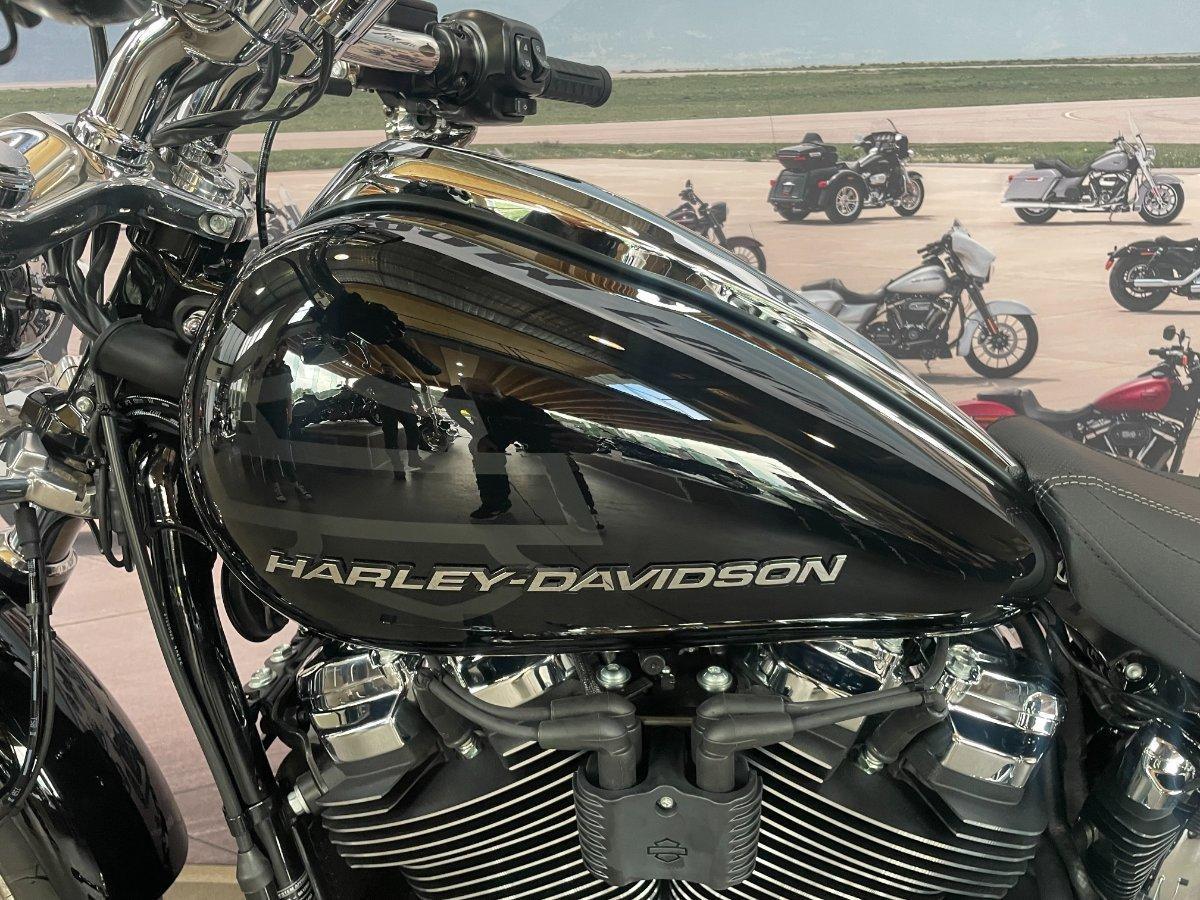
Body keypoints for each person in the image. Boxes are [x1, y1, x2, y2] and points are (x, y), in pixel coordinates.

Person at [256, 347, 312, 502]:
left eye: (285, 351)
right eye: (281, 350)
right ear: (276, 350)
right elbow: (255, 376)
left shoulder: (286, 368)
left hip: (280, 413)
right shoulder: (264, 364)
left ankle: (294, 482)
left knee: (285, 449)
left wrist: (290, 411)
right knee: (268, 450)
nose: (283, 353)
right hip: (264, 412)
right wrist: (266, 361)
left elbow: (288, 390)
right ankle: (275, 485)